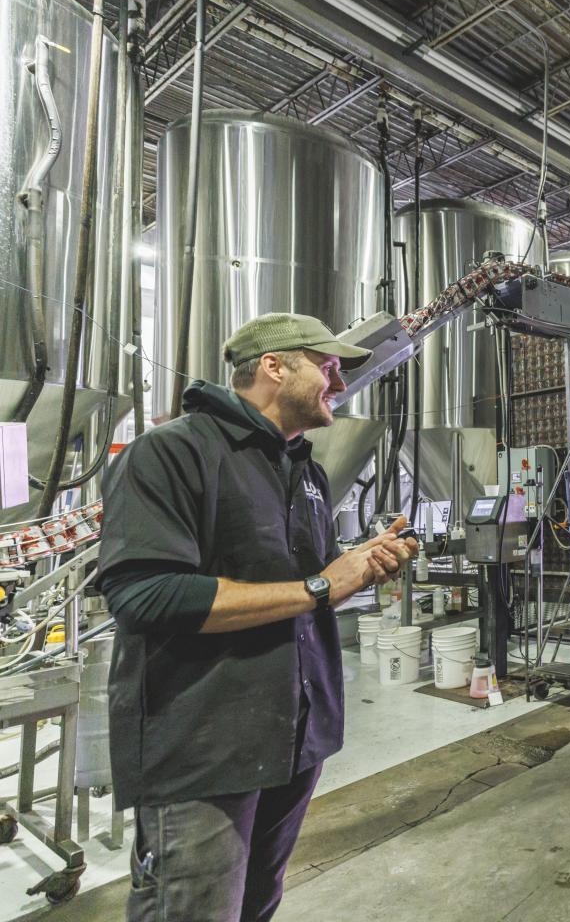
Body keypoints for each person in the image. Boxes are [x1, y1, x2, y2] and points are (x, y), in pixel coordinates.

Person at [97, 312, 420, 922]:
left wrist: (361, 566)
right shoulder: (172, 452)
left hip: (296, 739)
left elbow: (307, 587)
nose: (338, 381)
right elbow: (146, 595)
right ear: (273, 366)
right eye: (325, 367)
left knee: (255, 905)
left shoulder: (307, 470)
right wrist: (325, 583)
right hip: (203, 751)